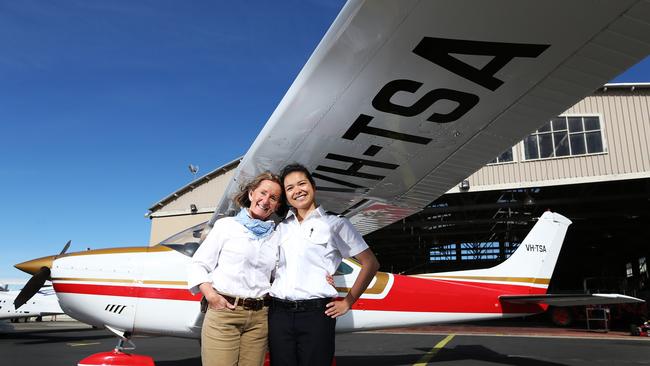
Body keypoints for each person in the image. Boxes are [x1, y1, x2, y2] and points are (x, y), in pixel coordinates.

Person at [268, 163, 380, 366]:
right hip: (278, 315)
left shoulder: (335, 223)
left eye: (302, 183)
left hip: (316, 315)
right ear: (286, 196)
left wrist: (348, 301)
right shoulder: (280, 228)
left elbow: (370, 263)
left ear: (313, 186)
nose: (297, 190)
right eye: (290, 188)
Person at [188, 172, 283, 366]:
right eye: (262, 193)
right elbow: (199, 264)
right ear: (250, 194)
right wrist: (211, 296)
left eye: (273, 198)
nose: (265, 200)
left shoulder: (277, 236)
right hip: (224, 313)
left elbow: (281, 274)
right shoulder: (226, 226)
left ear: (277, 206)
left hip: (259, 318)